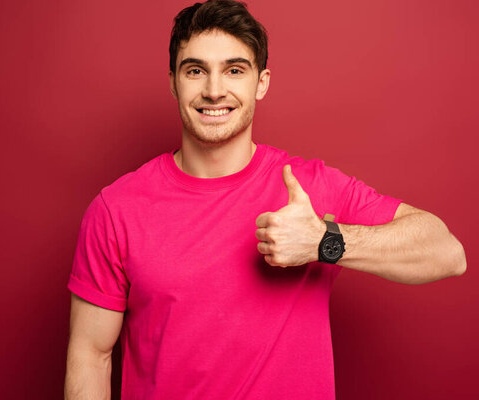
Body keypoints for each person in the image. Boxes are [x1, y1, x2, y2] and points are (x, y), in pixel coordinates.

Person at [64, 1, 467, 399]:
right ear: (172, 81)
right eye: (195, 70)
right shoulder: (116, 208)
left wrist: (326, 241)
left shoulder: (310, 190)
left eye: (234, 70)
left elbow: (446, 252)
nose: (214, 90)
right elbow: (91, 354)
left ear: (262, 82)